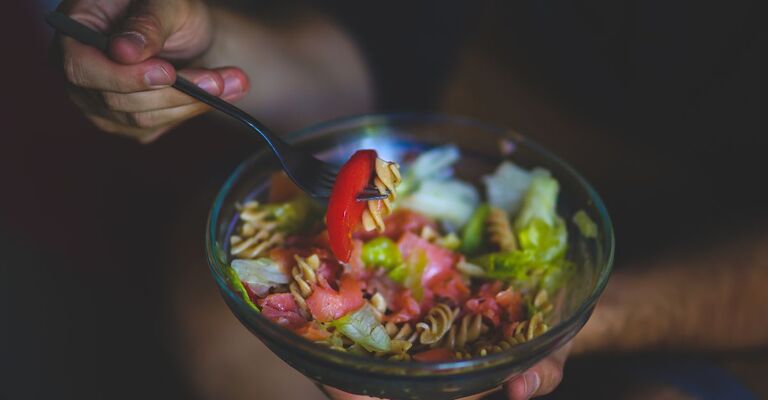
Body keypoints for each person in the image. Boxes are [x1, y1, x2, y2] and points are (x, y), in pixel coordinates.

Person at [54, 0, 768, 399]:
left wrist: (567, 324)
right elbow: (377, 61)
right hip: (518, 133)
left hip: (729, 282)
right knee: (211, 306)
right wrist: (215, 58)